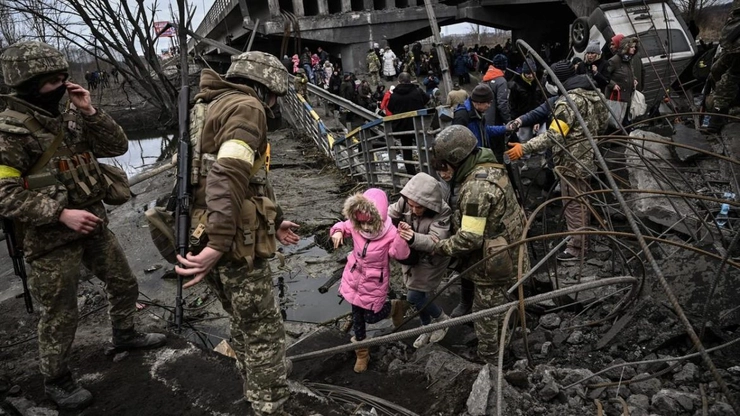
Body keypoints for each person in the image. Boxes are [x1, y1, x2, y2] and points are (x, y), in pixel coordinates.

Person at [0, 41, 166, 410]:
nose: (60, 86)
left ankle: (125, 335)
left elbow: (118, 145)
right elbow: (4, 193)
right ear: (27, 84)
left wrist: (89, 110)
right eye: (51, 81)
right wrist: (59, 214)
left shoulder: (69, 117)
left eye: (63, 78)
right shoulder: (10, 133)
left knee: (123, 282)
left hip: (93, 224)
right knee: (60, 312)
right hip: (50, 238)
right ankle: (57, 380)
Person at [173, 51, 301, 416]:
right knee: (263, 331)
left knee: (242, 321)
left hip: (202, 226)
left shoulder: (205, 106)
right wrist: (219, 242)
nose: (274, 105)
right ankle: (269, 403)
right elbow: (228, 173)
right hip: (229, 239)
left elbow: (249, 177)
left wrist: (276, 221)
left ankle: (255, 383)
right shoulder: (248, 108)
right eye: (275, 97)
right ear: (267, 87)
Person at [431, 125, 530, 364]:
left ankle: (491, 358)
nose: (441, 174)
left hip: (494, 261)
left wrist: (438, 247)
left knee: (484, 311)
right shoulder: (490, 165)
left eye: (442, 167)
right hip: (513, 250)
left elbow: (470, 238)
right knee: (502, 303)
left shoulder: (476, 188)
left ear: (457, 159)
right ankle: (503, 340)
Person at [506, 60, 608, 262]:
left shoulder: (568, 103)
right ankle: (584, 239)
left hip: (571, 162)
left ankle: (577, 249)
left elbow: (554, 136)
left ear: (558, 80)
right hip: (588, 158)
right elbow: (603, 124)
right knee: (583, 200)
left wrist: (524, 148)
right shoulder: (593, 94)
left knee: (572, 203)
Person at [331, 188, 410, 373]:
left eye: (369, 223)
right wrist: (338, 231)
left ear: (379, 218)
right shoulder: (356, 225)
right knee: (357, 316)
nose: (365, 228)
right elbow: (343, 225)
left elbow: (400, 255)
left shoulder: (390, 233)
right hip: (353, 278)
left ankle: (393, 307)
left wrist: (401, 237)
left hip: (374, 283)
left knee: (371, 317)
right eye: (361, 223)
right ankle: (362, 353)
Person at [387, 173, 452, 348]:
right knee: (420, 294)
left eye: (419, 207)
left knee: (414, 295)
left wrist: (413, 237)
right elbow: (388, 215)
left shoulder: (443, 211)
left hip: (432, 258)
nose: (414, 210)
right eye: (411, 205)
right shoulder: (406, 200)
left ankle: (442, 320)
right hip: (410, 255)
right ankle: (426, 327)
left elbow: (436, 241)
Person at [706, 0, 740, 133]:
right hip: (732, 52)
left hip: (733, 53)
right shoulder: (734, 22)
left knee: (729, 78)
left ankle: (716, 118)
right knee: (723, 74)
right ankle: (717, 117)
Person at [387, 72, 430, 175]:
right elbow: (427, 99)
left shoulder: (395, 95)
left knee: (407, 151)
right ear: (410, 80)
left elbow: (390, 108)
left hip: (403, 127)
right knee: (423, 147)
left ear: (399, 81)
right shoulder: (417, 91)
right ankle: (427, 170)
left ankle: (411, 174)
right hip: (419, 124)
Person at [452, 84, 508, 157]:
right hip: (472, 159)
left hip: (480, 156)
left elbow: (485, 130)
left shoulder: (478, 113)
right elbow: (457, 142)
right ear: (479, 102)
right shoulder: (462, 116)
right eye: (488, 103)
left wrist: (505, 128)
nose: (489, 105)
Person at [606, 36, 641, 126]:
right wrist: (612, 85)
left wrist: (634, 79)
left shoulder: (629, 60)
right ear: (626, 47)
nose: (634, 49)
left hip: (627, 98)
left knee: (625, 123)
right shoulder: (614, 61)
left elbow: (629, 73)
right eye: (632, 47)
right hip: (617, 99)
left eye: (634, 47)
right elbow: (604, 76)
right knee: (614, 124)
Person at [508, 58, 544, 144]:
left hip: (540, 115)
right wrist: (515, 121)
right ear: (523, 72)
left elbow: (543, 101)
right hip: (523, 117)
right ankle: (525, 156)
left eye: (532, 73)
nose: (531, 75)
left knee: (542, 138)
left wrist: (540, 119)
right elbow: (512, 104)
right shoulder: (516, 85)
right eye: (528, 73)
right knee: (524, 139)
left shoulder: (540, 82)